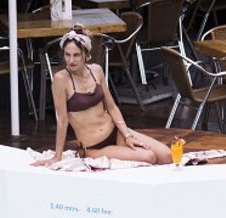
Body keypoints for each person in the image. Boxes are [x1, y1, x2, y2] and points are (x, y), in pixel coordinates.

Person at [32, 25, 172, 167]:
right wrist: (57, 156)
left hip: (115, 132)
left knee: (167, 155)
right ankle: (111, 152)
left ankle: (124, 146)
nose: (71, 60)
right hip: (94, 147)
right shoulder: (61, 79)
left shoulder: (96, 70)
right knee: (149, 156)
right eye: (67, 55)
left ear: (86, 54)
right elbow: (62, 120)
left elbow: (112, 107)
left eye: (76, 55)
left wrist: (127, 136)